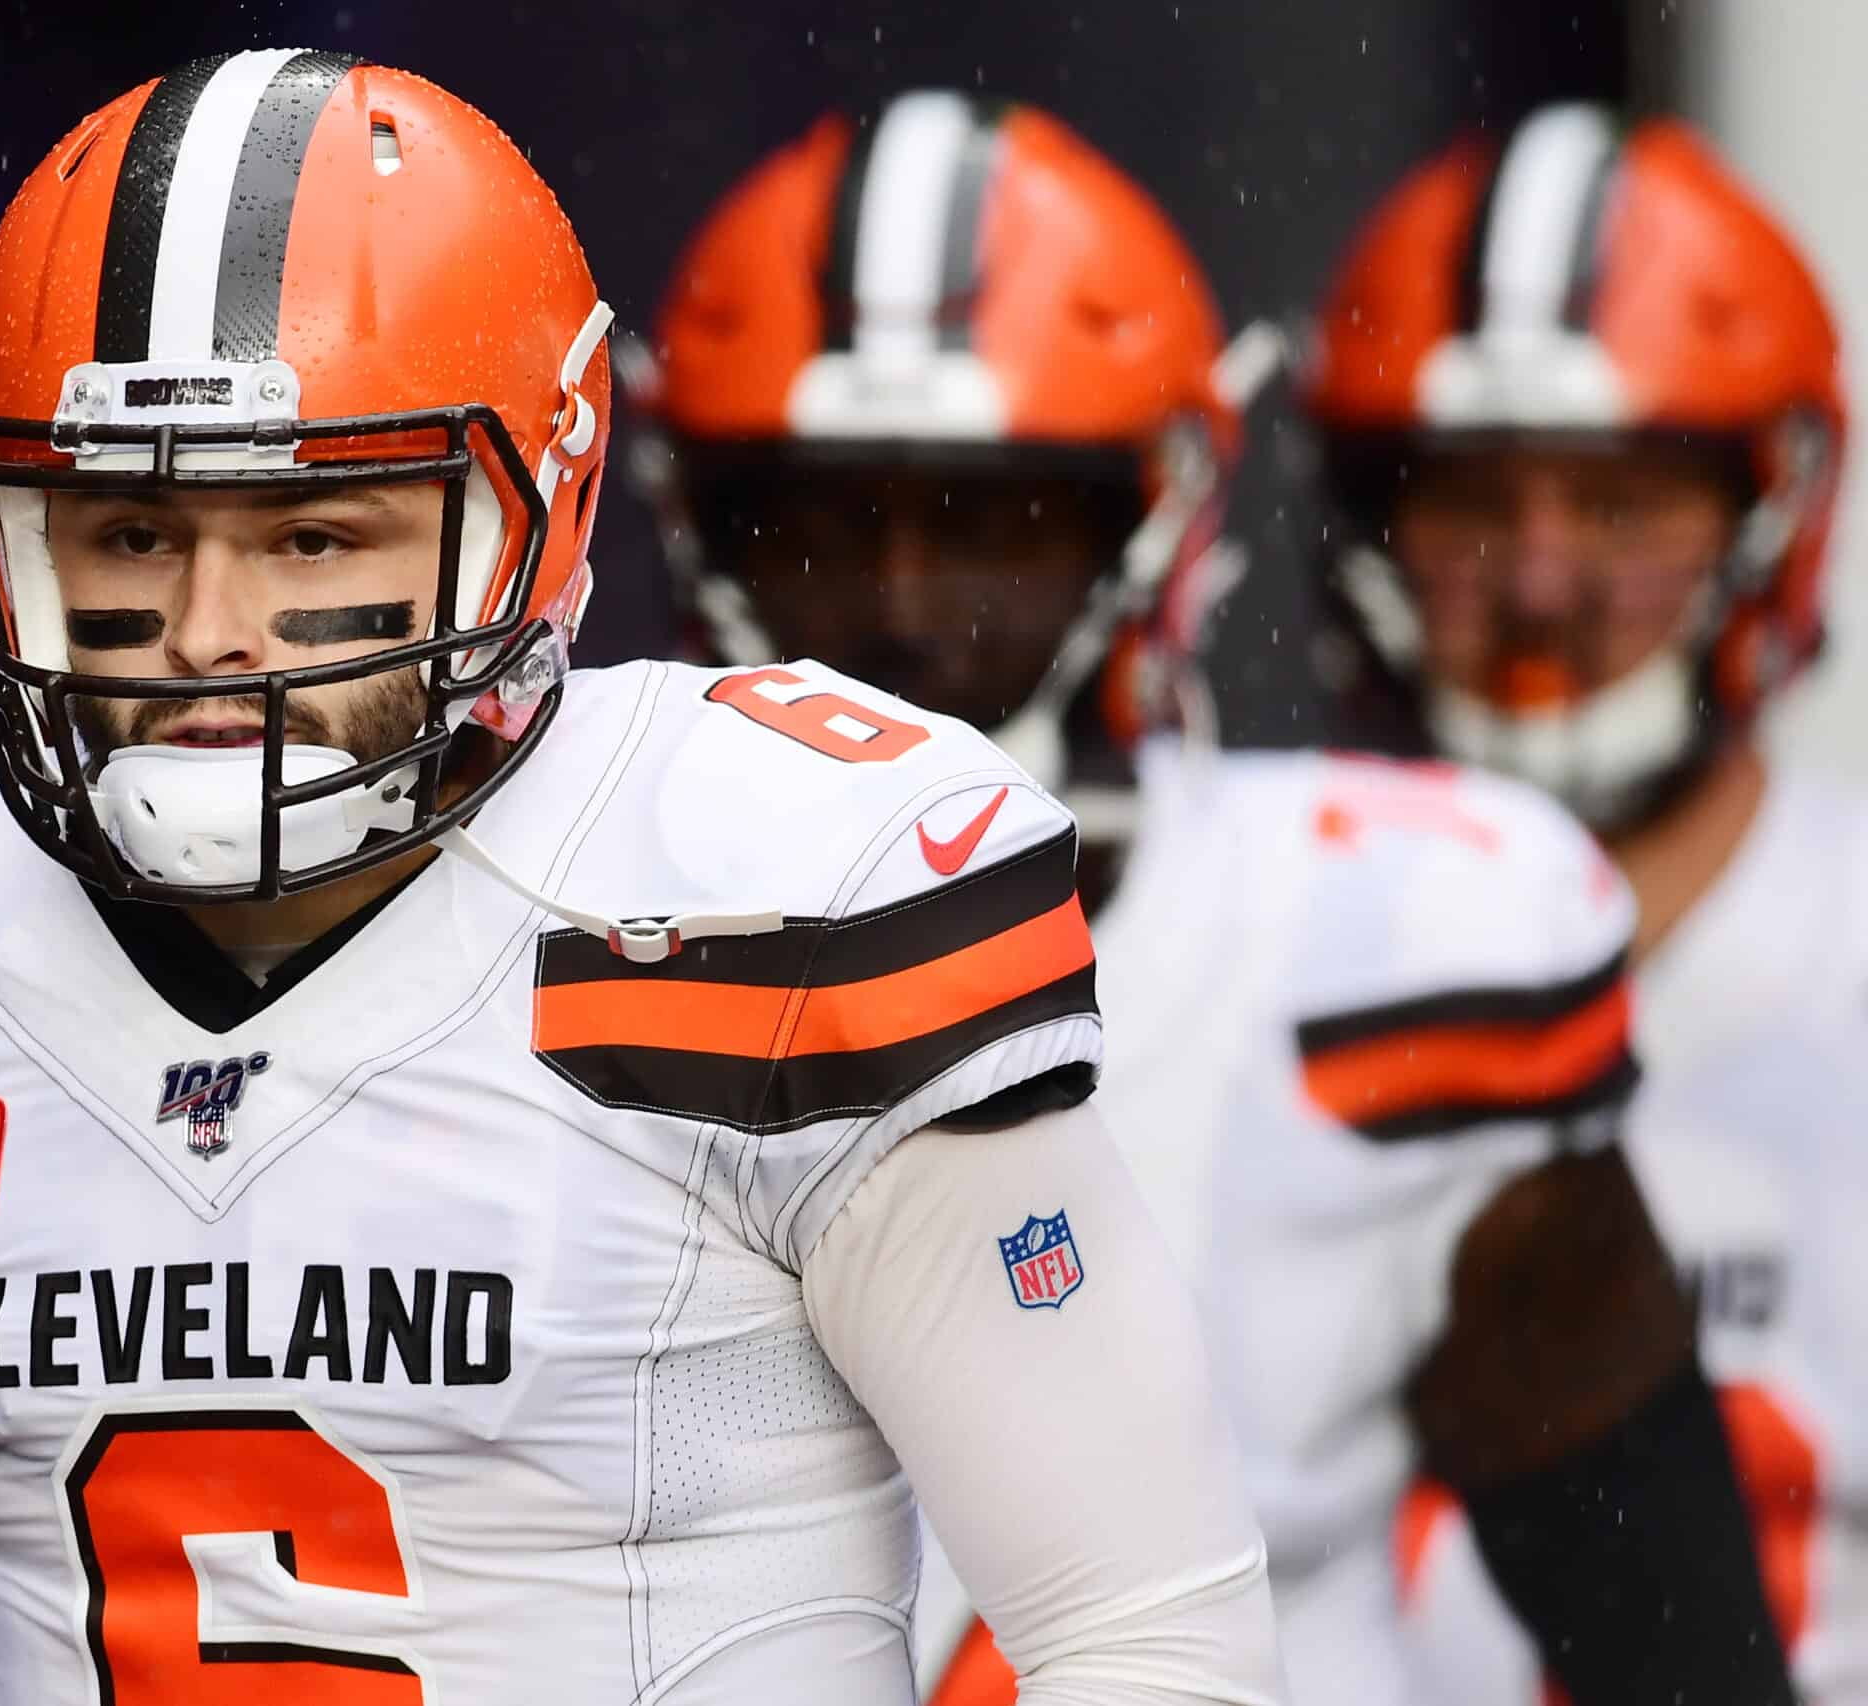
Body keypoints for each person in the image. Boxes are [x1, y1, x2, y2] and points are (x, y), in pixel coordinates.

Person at [0, 52, 1284, 1705]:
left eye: (315, 537)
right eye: (131, 530)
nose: (208, 631)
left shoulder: (788, 899)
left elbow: (1147, 1639)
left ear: (545, 504)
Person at [637, 90, 1794, 1706]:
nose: (901, 605)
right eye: (823, 522)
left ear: (1163, 509)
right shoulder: (518, 933)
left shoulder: (1393, 944)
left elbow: (1682, 1662)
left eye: (990, 522)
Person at [1301, 101, 1868, 1703]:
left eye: (1618, 506)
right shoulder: (1243, 940)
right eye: (1475, 503)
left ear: (1775, 510)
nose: (1543, 580)